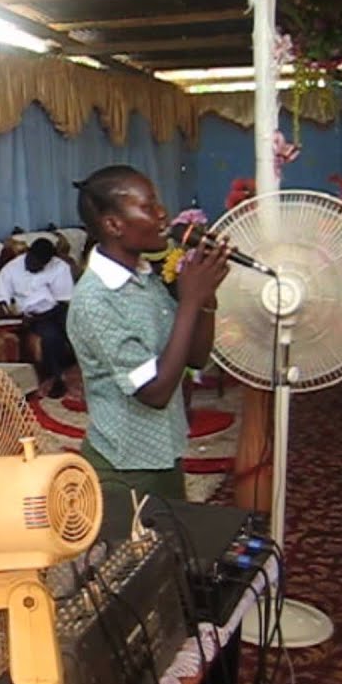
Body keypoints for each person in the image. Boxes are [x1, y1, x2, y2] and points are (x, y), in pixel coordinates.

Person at [65, 165, 231, 500]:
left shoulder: (145, 277)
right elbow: (154, 393)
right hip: (125, 467)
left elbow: (195, 358)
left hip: (165, 452)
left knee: (173, 548)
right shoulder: (95, 300)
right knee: (133, 552)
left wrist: (205, 300)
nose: (162, 214)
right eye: (148, 206)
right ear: (113, 225)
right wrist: (188, 302)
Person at [0, 238, 75, 398]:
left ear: (49, 262)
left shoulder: (60, 268)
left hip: (56, 311)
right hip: (29, 316)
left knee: (73, 324)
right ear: (28, 253)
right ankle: (56, 379)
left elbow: (65, 301)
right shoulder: (11, 269)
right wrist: (8, 310)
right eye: (32, 261)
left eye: (40, 264)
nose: (34, 266)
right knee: (51, 335)